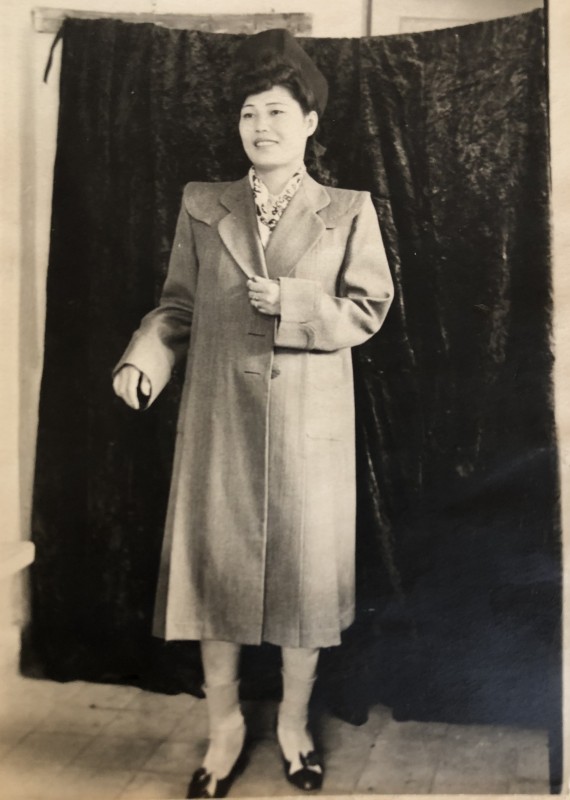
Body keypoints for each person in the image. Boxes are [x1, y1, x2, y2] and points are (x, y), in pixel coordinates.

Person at [113, 28, 394, 799]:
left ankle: (294, 725)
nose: (261, 126)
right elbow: (177, 306)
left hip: (309, 433)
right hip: (220, 427)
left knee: (305, 590)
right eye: (249, 113)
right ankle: (225, 729)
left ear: (309, 123)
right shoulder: (203, 205)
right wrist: (145, 359)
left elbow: (369, 306)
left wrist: (295, 303)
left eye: (276, 112)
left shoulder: (347, 211)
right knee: (216, 583)